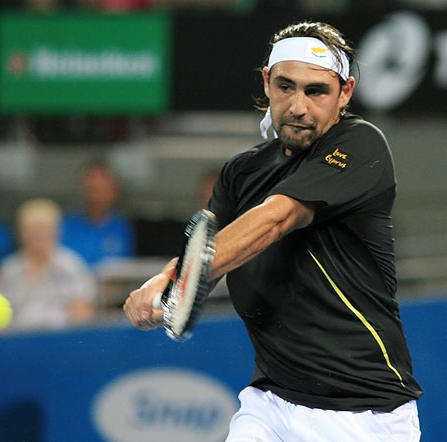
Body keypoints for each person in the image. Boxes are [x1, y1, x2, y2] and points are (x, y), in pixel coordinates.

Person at [123, 21, 423, 441]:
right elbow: (209, 249)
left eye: (316, 91)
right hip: (270, 402)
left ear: (346, 93)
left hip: (363, 414)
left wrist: (183, 282)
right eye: (286, 87)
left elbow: (276, 218)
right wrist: (159, 284)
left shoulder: (361, 145)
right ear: (266, 82)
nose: (298, 106)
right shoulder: (241, 172)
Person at [0, 198, 96, 331]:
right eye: (31, 230)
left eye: (43, 229)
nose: (38, 235)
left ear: (56, 232)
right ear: (21, 234)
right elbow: (1, 316)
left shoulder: (71, 266)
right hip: (18, 337)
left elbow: (82, 312)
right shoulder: (9, 269)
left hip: (61, 336)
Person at [60, 161, 136, 270]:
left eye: (102, 188)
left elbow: (128, 268)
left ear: (114, 191)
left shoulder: (124, 227)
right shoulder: (65, 226)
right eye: (91, 189)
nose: (96, 196)